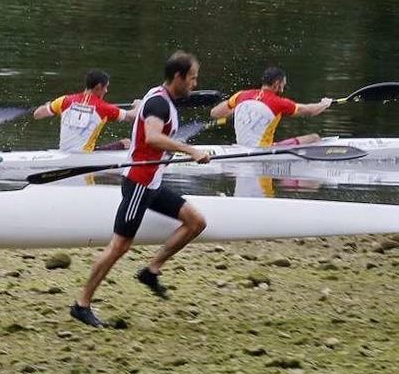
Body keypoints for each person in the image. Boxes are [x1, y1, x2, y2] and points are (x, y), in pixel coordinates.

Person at [69, 51, 211, 329]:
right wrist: (191, 151)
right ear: (178, 77)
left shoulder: (159, 97)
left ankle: (150, 270)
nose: (195, 84)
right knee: (119, 246)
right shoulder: (159, 103)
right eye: (192, 78)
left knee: (196, 222)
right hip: (139, 183)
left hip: (153, 183)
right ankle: (81, 305)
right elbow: (153, 137)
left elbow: (147, 121)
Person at [210, 67, 332, 148]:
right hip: (263, 151)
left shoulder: (240, 95)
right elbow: (309, 111)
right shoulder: (279, 103)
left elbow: (214, 113)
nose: (283, 89)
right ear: (277, 84)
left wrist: (235, 110)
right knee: (314, 138)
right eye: (283, 85)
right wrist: (324, 104)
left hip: (241, 148)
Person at [33, 70, 137, 152]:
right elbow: (133, 116)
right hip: (84, 156)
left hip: (64, 153)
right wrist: (139, 105)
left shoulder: (64, 100)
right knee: (126, 143)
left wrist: (48, 105)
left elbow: (37, 114)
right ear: (98, 87)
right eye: (105, 87)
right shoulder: (104, 108)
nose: (106, 91)